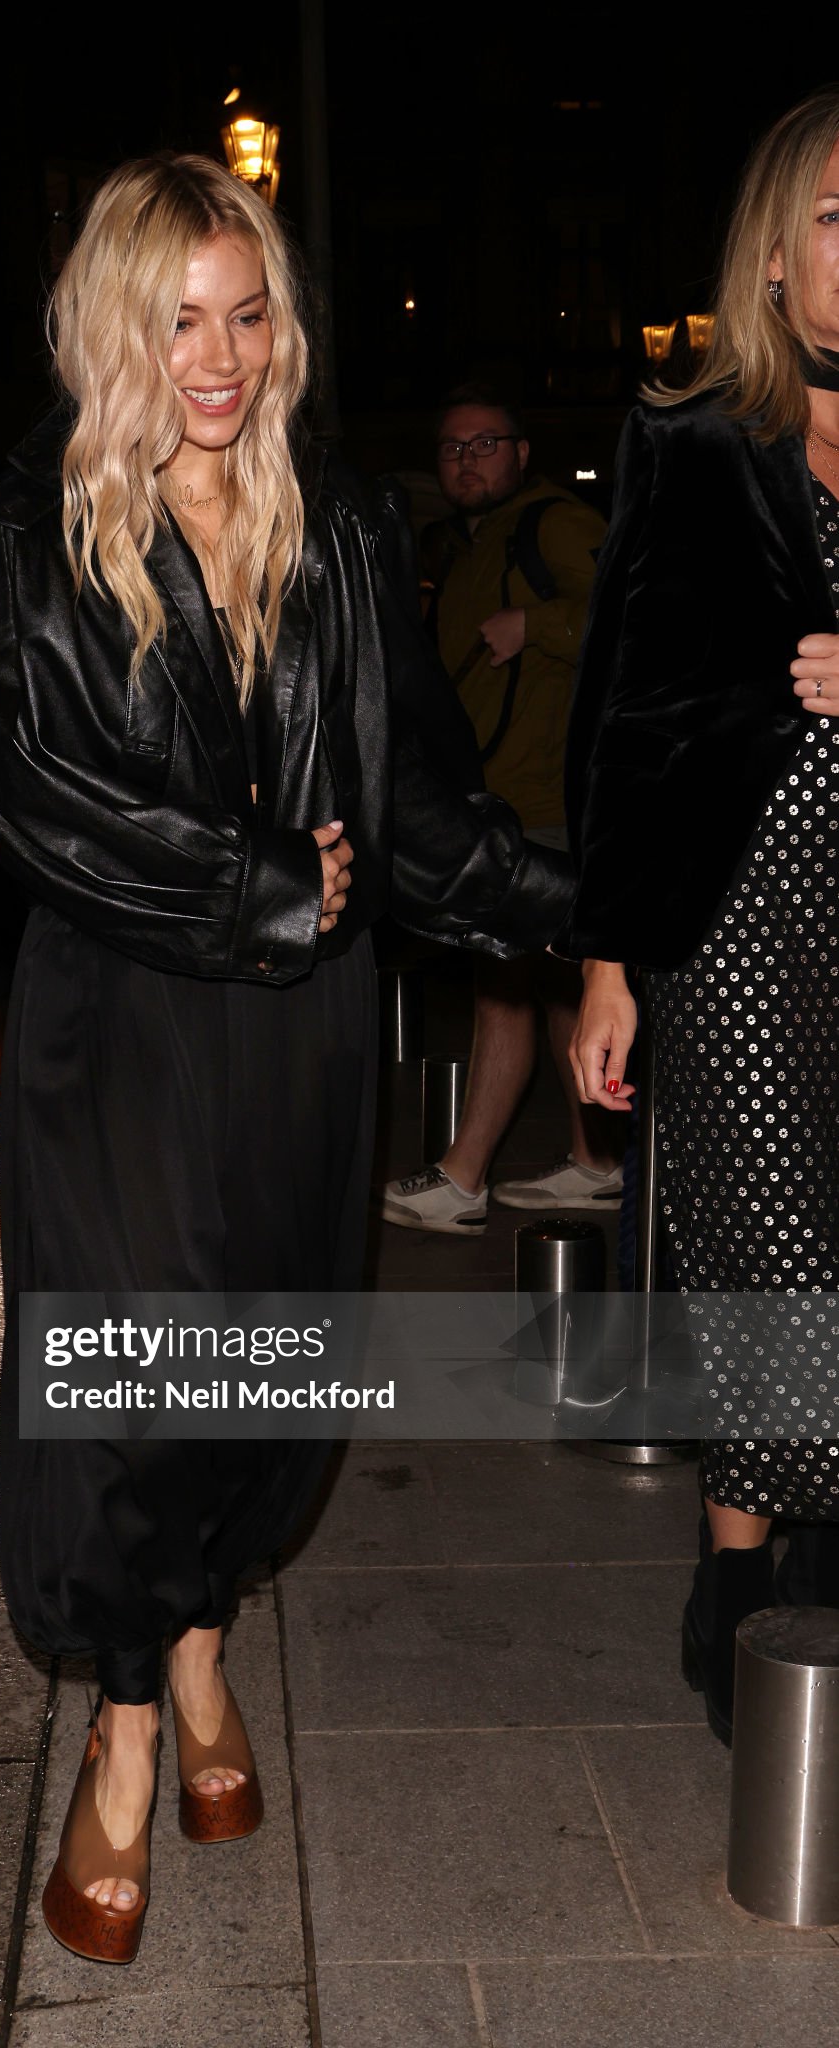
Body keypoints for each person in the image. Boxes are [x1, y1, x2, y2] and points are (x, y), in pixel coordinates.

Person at [0, 153, 570, 1963]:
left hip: (304, 1030)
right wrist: (256, 880)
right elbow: (28, 797)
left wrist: (599, 905)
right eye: (178, 320)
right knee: (137, 1384)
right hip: (119, 1023)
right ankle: (131, 1728)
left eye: (246, 313)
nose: (217, 358)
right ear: (110, 330)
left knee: (273, 1376)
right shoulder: (12, 534)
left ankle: (205, 1646)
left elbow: (418, 799)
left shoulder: (343, 528)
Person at [567, 86, 839, 1746]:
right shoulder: (689, 440)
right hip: (732, 914)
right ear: (774, 251)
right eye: (838, 214)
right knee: (765, 1244)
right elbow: (622, 712)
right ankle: (737, 1572)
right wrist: (604, 959)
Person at [385, 389, 617, 1234]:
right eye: (452, 448)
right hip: (498, 798)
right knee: (558, 992)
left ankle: (464, 1176)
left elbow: (626, 617)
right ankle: (597, 1162)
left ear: (522, 452)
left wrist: (536, 623)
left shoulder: (552, 524)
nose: (467, 460)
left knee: (503, 987)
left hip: (546, 801)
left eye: (485, 444)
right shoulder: (466, 543)